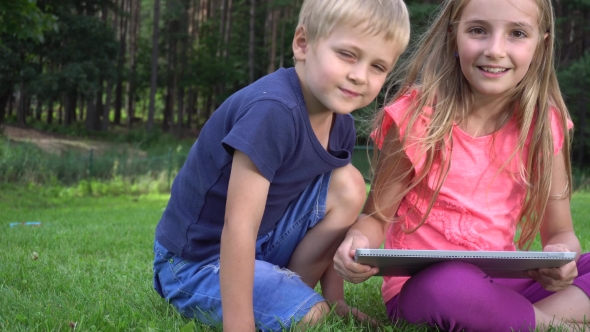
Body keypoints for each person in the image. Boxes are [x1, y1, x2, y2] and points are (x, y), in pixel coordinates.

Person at [151, 1, 410, 331]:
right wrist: (240, 325)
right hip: (196, 262)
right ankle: (290, 300)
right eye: (347, 54)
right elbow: (239, 226)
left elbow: (327, 218)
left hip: (261, 244)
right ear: (303, 44)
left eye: (378, 67)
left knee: (350, 184)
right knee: (310, 317)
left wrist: (336, 299)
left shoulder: (340, 124)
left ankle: (298, 292)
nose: (359, 76)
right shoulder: (273, 110)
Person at [334, 0, 590, 331]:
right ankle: (556, 324)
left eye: (517, 33)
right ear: (454, 35)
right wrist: (358, 243)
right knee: (451, 286)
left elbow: (561, 233)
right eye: (478, 31)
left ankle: (512, 316)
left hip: (505, 284)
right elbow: (375, 218)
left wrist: (560, 258)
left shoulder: (543, 124)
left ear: (541, 45)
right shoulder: (415, 118)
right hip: (428, 289)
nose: (495, 50)